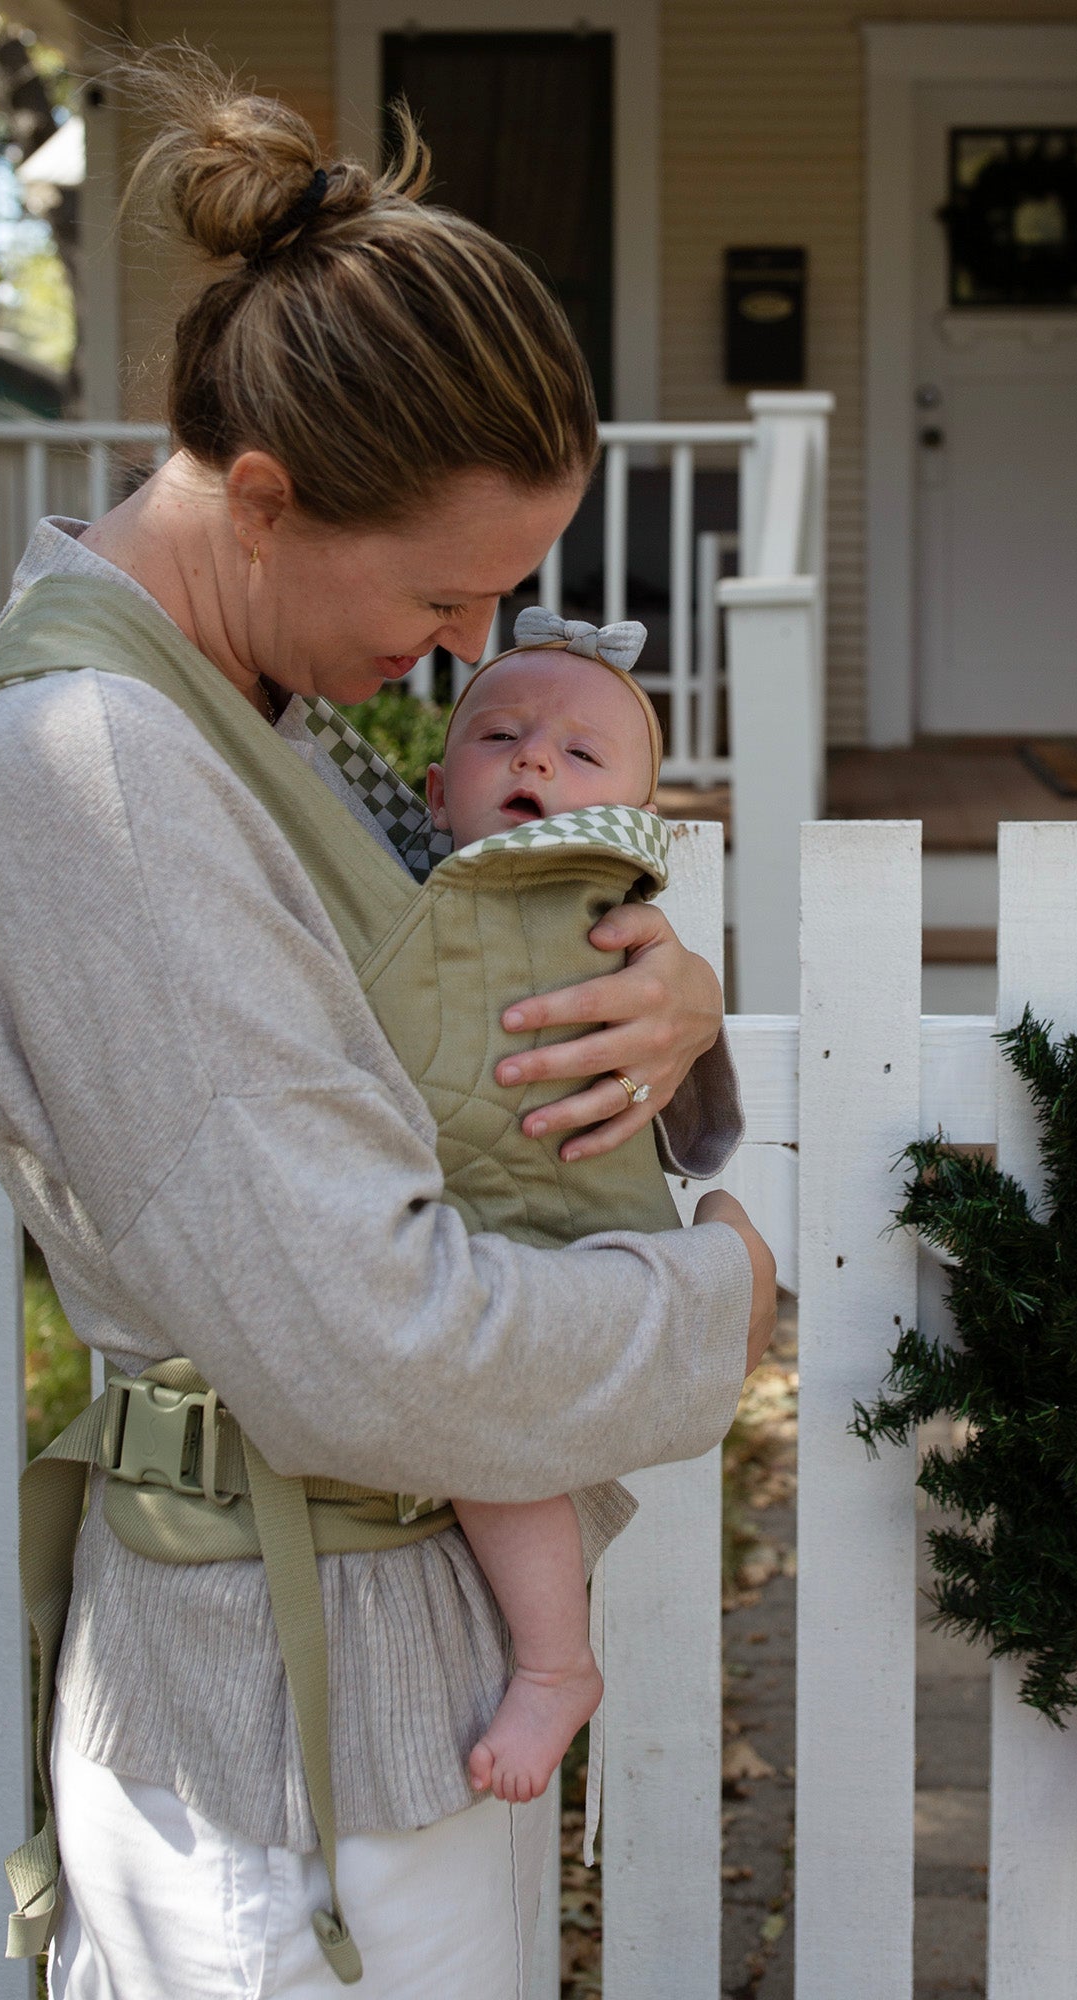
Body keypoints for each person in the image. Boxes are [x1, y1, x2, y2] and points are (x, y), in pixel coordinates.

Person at [0, 50, 776, 2000]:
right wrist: (722, 1302)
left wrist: (662, 989)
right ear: (272, 500)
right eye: (450, 592)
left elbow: (431, 1018)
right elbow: (370, 1352)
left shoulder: (244, 720)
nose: (474, 651)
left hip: (377, 1678)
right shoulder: (93, 774)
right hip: (270, 1756)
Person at [417, 607, 703, 1808]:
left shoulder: (594, 897)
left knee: (486, 1431)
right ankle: (551, 1655)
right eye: (501, 735)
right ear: (435, 791)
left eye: (581, 756)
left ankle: (553, 1659)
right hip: (475, 1196)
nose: (534, 759)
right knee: (484, 1434)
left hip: (548, 1206)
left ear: (636, 816)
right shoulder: (420, 882)